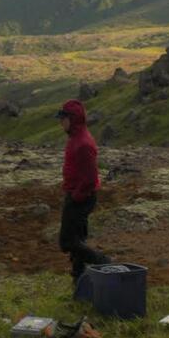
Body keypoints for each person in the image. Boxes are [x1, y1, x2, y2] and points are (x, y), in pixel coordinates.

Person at [57, 99, 108, 280]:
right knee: (78, 239)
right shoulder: (75, 138)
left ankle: (103, 262)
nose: (60, 122)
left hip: (81, 197)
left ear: (73, 119)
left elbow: (90, 178)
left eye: (63, 118)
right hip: (77, 194)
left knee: (67, 241)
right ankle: (78, 278)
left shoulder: (83, 143)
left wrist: (76, 196)